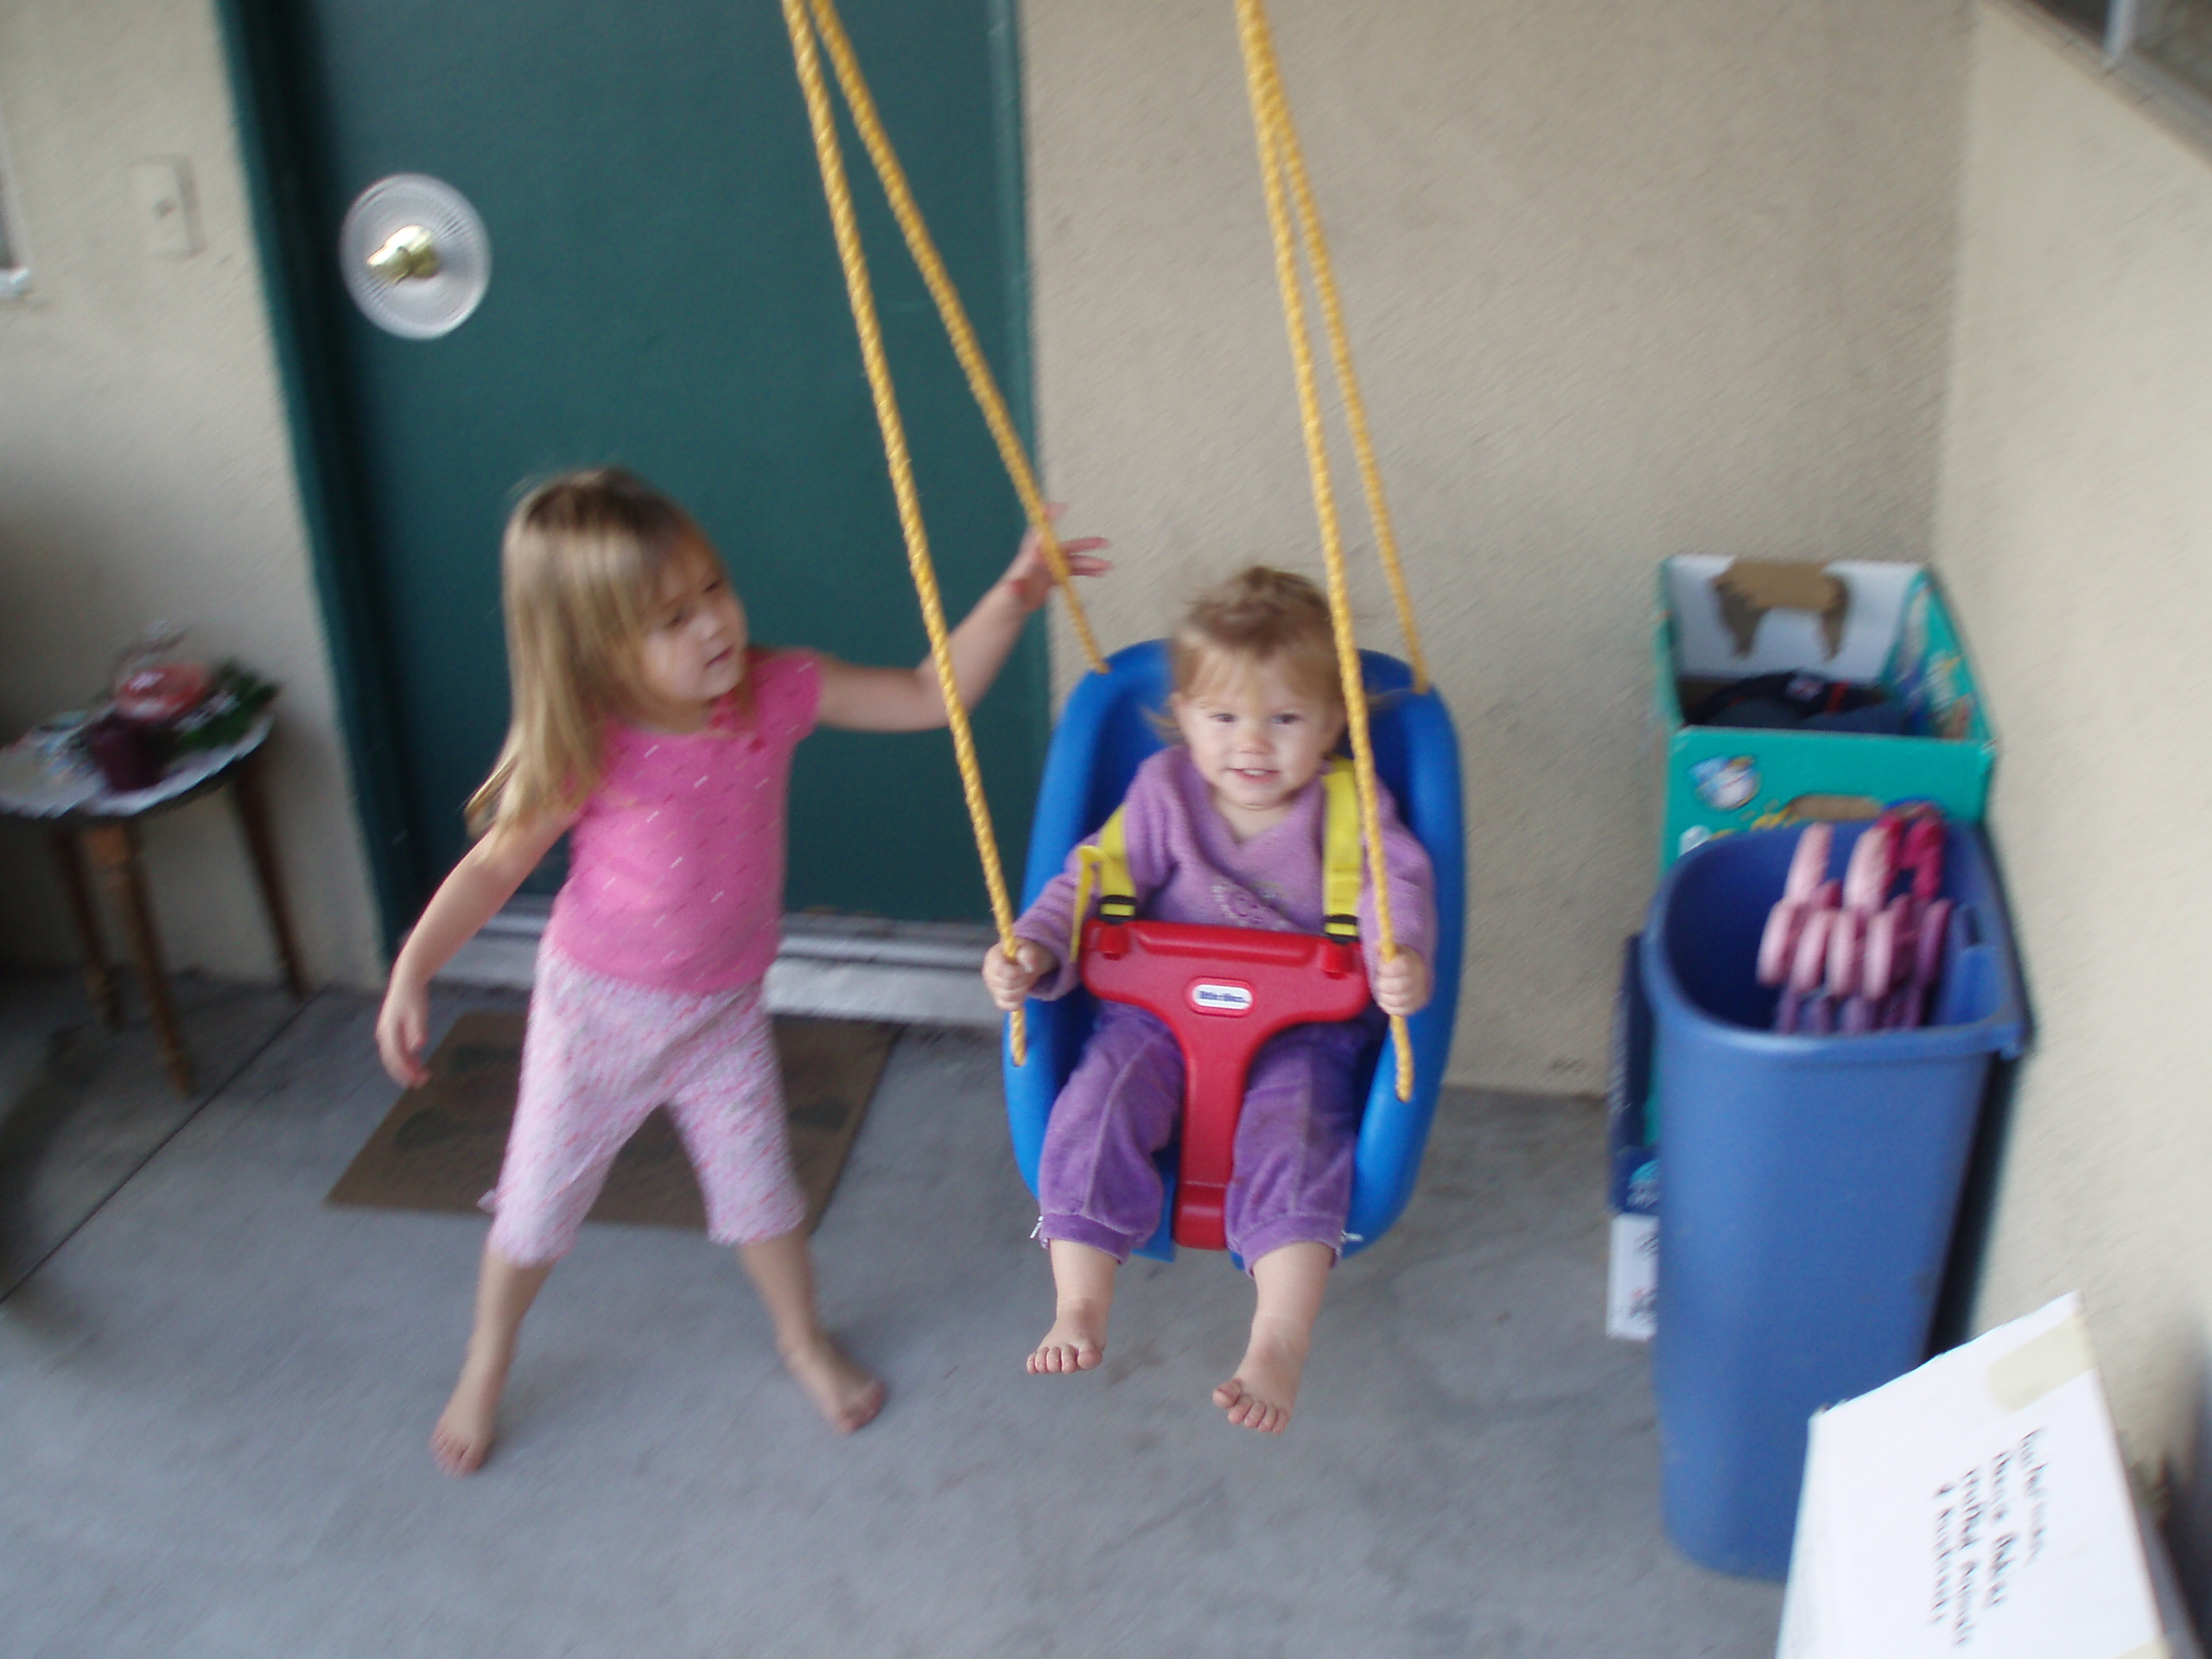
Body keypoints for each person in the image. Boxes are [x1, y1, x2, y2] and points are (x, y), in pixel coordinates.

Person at [376, 467, 1107, 1475]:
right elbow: (495, 867)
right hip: (595, 1016)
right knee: (536, 1209)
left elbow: (925, 696)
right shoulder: (589, 742)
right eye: (671, 618)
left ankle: (801, 1340)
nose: (714, 622)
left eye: (713, 588)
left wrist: (1014, 597)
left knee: (763, 1196)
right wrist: (414, 967)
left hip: (722, 1012)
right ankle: (487, 1359)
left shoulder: (778, 688)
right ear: (595, 648)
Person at [982, 567, 1434, 1435]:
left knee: (1297, 1143)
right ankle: (1080, 1301)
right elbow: (1091, 878)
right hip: (1149, 1016)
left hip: (1303, 1030)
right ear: (1185, 716)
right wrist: (1035, 947)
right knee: (1091, 1112)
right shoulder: (1162, 793)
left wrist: (1400, 956)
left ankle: (1279, 1337)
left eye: (1285, 719)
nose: (1251, 744)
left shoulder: (1351, 807)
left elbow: (1394, 888)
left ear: (1332, 723)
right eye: (1224, 718)